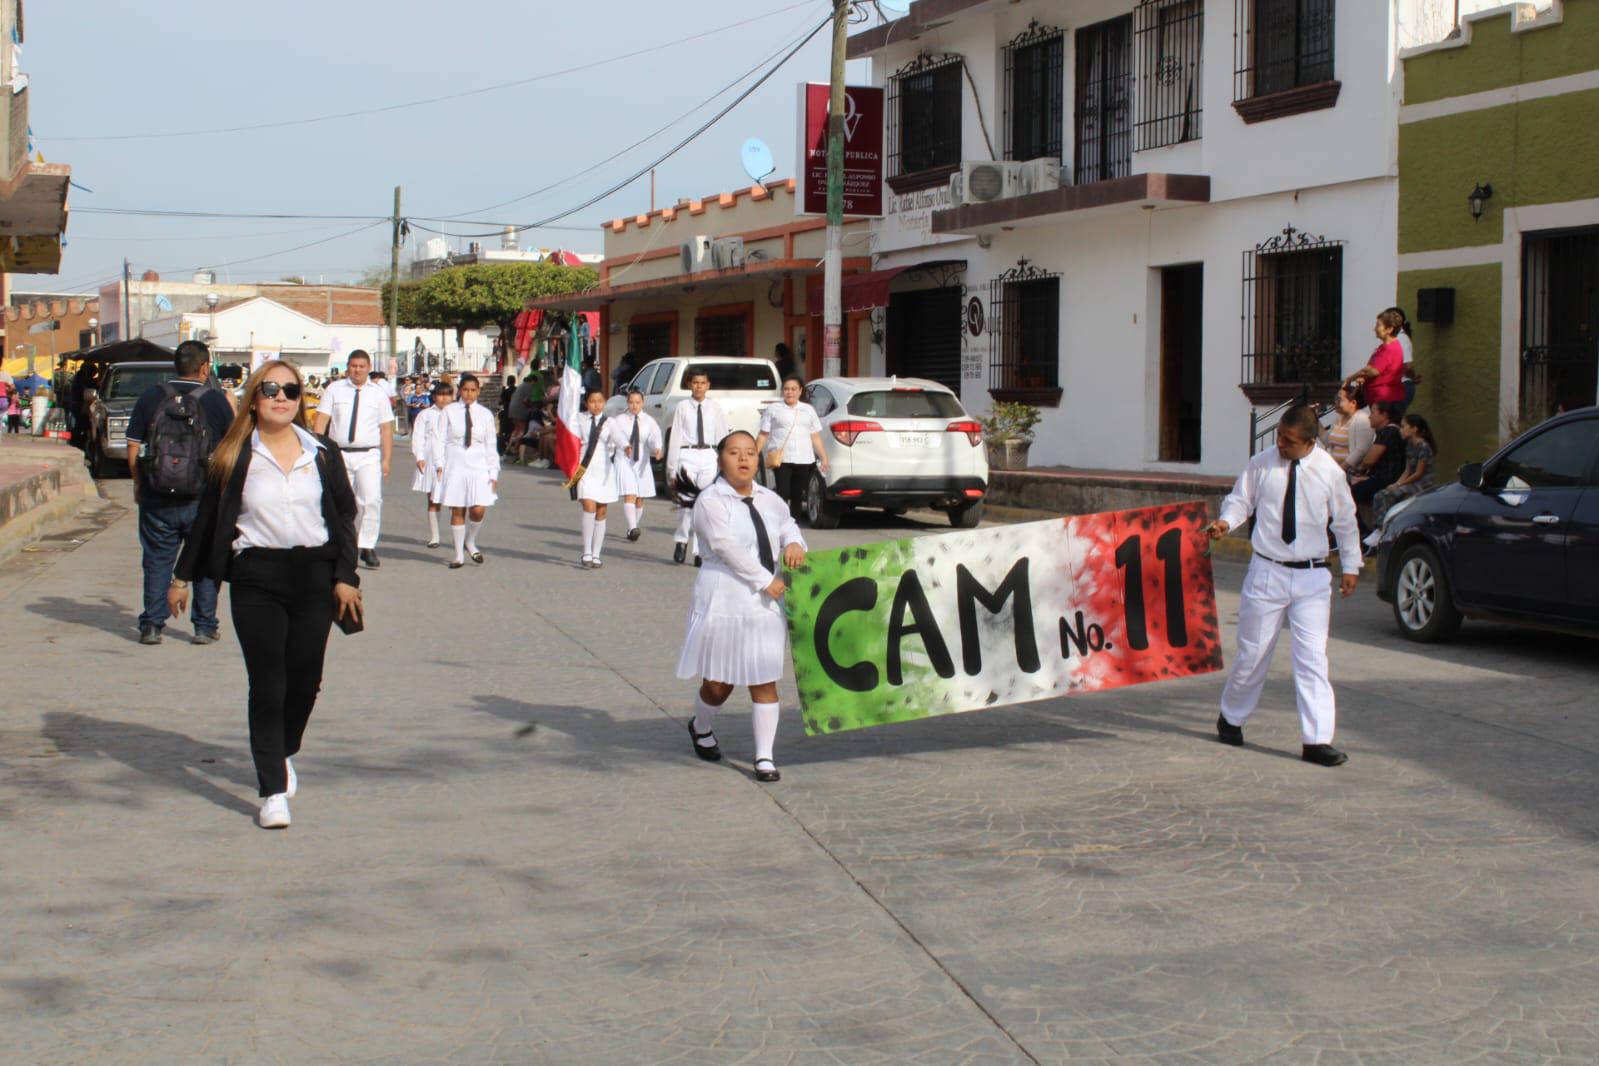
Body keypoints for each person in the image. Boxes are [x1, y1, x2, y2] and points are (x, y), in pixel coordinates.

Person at [169, 360, 362, 829]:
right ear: (254, 397)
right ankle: (272, 790)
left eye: (291, 390)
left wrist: (345, 575)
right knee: (268, 681)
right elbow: (209, 520)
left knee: (306, 679)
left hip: (314, 573)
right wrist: (182, 577)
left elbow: (344, 517)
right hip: (257, 574)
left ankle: (282, 750)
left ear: (300, 399)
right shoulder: (234, 455)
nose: (281, 397)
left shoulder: (322, 453)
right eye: (271, 388)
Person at [1206, 404, 1361, 768]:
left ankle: (1317, 739)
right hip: (1267, 570)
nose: (1280, 445)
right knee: (1253, 652)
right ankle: (1231, 718)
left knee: (1311, 659)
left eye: (1288, 441)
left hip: (1311, 576)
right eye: (1278, 436)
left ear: (1309, 441)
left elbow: (1345, 520)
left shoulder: (1329, 473)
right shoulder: (1262, 463)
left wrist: (1351, 565)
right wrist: (1227, 522)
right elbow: (1240, 500)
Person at [677, 430, 807, 783]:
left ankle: (764, 756)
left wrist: (795, 543)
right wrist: (765, 580)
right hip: (725, 598)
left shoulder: (770, 498)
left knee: (764, 678)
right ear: (721, 459)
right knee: (719, 684)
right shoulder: (711, 501)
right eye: (734, 452)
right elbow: (723, 546)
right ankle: (701, 725)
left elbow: (788, 525)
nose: (744, 459)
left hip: (765, 604)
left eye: (750, 452)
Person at [124, 340, 237, 646]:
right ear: (204, 367)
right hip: (202, 496)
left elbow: (133, 446)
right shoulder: (215, 401)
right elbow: (232, 450)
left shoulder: (152, 396)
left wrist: (138, 482)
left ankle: (152, 625)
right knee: (203, 558)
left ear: (175, 366)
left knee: (157, 559)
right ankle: (203, 625)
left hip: (156, 495)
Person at [313, 350, 394, 569]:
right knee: (343, 502)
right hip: (338, 453)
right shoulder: (334, 390)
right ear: (348, 367)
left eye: (361, 366)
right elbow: (322, 419)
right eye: (353, 366)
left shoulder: (377, 394)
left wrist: (386, 459)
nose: (357, 370)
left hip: (368, 453)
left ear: (368, 367)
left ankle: (367, 544)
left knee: (371, 499)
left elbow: (386, 427)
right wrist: (317, 450)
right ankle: (343, 543)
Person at [434, 373, 499, 568]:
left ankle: (470, 541)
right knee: (458, 508)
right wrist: (439, 463)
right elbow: (440, 439)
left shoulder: (485, 414)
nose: (469, 394)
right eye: (465, 390)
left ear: (478, 391)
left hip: (478, 465)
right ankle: (458, 555)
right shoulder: (449, 412)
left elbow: (490, 445)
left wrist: (493, 472)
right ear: (459, 391)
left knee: (478, 509)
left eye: (473, 390)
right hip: (455, 463)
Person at [666, 366, 728, 565]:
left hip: (709, 455)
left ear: (708, 385)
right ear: (689, 385)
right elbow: (675, 437)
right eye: (695, 383)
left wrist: (724, 463)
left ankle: (699, 549)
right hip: (687, 454)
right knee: (686, 503)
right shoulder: (683, 407)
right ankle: (682, 539)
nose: (699, 387)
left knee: (704, 505)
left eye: (702, 383)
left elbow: (722, 436)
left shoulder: (715, 408)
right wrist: (672, 468)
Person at [755, 376, 829, 520]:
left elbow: (815, 436)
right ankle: (780, 521)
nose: (790, 392)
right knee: (783, 492)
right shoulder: (774, 409)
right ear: (782, 391)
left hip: (804, 459)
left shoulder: (808, 410)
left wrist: (824, 458)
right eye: (786, 389)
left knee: (797, 494)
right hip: (781, 459)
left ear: (800, 391)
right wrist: (753, 455)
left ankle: (793, 523)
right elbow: (763, 434)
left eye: (793, 389)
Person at [570, 389, 619, 569]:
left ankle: (596, 553)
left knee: (601, 511)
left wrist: (626, 445)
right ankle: (586, 551)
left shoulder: (610, 423)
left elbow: (618, 438)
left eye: (599, 401)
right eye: (592, 401)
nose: (596, 404)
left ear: (604, 402)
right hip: (584, 469)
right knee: (589, 507)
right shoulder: (579, 419)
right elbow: (570, 437)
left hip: (604, 469)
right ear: (586, 403)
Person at [608, 388, 663, 542]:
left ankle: (633, 527)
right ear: (627, 403)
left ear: (643, 403)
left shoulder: (649, 421)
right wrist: (624, 445)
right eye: (631, 402)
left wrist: (657, 448)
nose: (634, 406)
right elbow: (615, 436)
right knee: (630, 493)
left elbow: (654, 437)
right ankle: (633, 527)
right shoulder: (619, 420)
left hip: (642, 461)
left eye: (637, 402)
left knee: (640, 498)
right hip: (624, 459)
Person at [1350, 401, 1406, 530]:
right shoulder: (1389, 431)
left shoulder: (1389, 431)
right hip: (1382, 476)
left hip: (1387, 479)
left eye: (1373, 413)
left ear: (1384, 415)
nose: (1369, 416)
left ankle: (1364, 531)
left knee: (1349, 494)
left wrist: (1359, 469)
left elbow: (1370, 460)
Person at [1371, 413, 1437, 521]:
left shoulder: (1423, 447)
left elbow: (1418, 474)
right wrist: (1396, 484)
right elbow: (1407, 470)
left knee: (1386, 496)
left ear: (1414, 429)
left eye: (1403, 426)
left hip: (1421, 484)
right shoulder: (1409, 445)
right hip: (1409, 482)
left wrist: (1399, 484)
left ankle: (1387, 524)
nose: (1400, 429)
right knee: (1379, 495)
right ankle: (1380, 525)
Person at [411, 381, 453, 548]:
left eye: (447, 395)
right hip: (430, 457)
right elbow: (418, 436)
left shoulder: (456, 414)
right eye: (440, 395)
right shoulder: (425, 415)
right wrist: (419, 456)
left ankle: (459, 535)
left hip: (450, 457)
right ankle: (435, 536)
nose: (444, 399)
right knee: (433, 498)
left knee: (454, 498)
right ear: (434, 397)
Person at [1348, 310, 1409, 418]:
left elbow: (1373, 371)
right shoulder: (1385, 347)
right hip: (1381, 399)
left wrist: (1351, 378)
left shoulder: (1389, 348)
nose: (1374, 329)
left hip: (1385, 401)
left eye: (1378, 325)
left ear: (1389, 329)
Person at [1320, 384, 1373, 472]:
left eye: (1339, 399)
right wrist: (1314, 420)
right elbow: (1328, 442)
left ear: (1353, 403)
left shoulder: (1363, 419)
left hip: (1350, 472)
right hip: (1335, 470)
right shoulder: (1338, 419)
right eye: (1335, 399)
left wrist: (1341, 469)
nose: (1335, 402)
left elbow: (1361, 450)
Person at [505, 374, 538, 457]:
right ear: (532, 381)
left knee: (516, 429)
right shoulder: (529, 386)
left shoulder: (520, 386)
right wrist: (532, 406)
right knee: (522, 430)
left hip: (511, 409)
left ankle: (509, 447)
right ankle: (515, 448)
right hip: (520, 409)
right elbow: (526, 400)